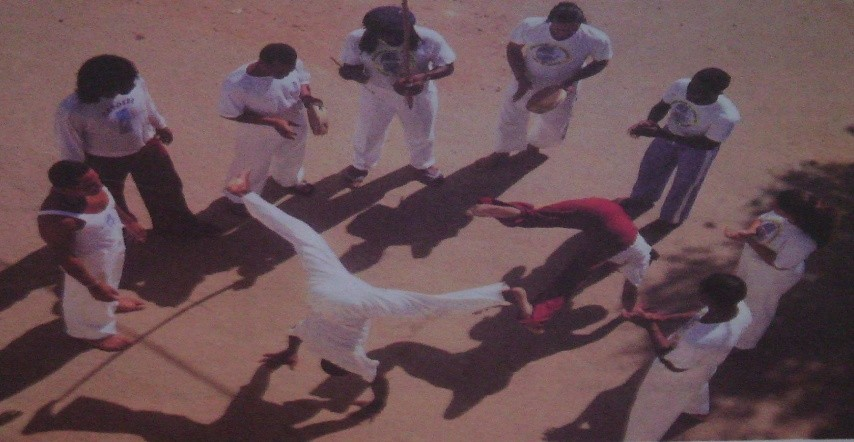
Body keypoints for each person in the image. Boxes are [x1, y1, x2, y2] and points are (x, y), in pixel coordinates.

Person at [224, 171, 532, 405]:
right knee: (304, 237)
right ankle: (247, 195)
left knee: (428, 304)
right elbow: (294, 335)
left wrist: (375, 404)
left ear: (340, 367)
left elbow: (377, 379)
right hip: (324, 290)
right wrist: (285, 355)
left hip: (358, 304)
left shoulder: (351, 358)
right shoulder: (311, 336)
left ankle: (502, 294)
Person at [56, 54, 219, 237]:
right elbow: (70, 144)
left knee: (167, 188)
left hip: (146, 147)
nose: (130, 88)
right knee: (110, 200)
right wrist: (80, 174)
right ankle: (121, 237)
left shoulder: (133, 81)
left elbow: (148, 103)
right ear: (101, 86)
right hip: (104, 161)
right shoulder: (72, 110)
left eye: (130, 83)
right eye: (122, 86)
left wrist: (160, 125)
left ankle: (177, 227)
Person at [468, 196, 652, 333]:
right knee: (570, 279)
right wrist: (629, 310)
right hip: (615, 239)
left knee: (542, 215)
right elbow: (630, 290)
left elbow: (620, 204)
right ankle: (533, 315)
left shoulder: (639, 240)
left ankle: (494, 208)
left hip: (604, 206)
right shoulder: (641, 259)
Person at [476, 2, 612, 168]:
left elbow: (601, 61)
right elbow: (513, 48)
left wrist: (569, 81)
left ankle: (534, 147)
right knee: (512, 114)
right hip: (528, 77)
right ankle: (503, 152)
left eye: (571, 30)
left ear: (580, 25)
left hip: (563, 83)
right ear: (549, 22)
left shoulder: (595, 38)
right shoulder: (530, 26)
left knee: (554, 123)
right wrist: (521, 78)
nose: (563, 33)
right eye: (559, 29)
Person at [622, 273, 752, 441]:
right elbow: (701, 314)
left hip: (675, 376)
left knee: (648, 415)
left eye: (702, 292)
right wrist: (663, 318)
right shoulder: (740, 308)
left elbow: (668, 359)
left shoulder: (697, 341)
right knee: (698, 383)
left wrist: (650, 326)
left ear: (709, 298)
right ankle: (698, 410)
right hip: (703, 364)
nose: (698, 293)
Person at [337, 5, 456, 186]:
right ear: (373, 32)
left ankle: (423, 164)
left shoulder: (429, 38)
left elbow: (448, 66)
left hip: (418, 95)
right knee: (368, 132)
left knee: (421, 132)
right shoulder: (356, 39)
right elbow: (347, 68)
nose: (394, 38)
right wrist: (351, 73)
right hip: (375, 94)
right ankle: (361, 165)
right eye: (388, 35)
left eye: (399, 34)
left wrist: (423, 77)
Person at [37, 161, 147, 351]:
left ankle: (111, 303)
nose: (98, 187)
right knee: (86, 298)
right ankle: (92, 333)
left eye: (97, 180)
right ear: (64, 190)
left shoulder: (92, 186)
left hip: (111, 251)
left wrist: (129, 222)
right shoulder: (57, 219)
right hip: (87, 266)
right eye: (89, 185)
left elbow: (111, 205)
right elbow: (64, 257)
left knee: (110, 283)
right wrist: (93, 285)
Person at [622, 67, 741, 225]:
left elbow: (707, 144)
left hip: (697, 150)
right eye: (692, 87)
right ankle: (642, 199)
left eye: (700, 93)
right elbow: (662, 106)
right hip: (669, 133)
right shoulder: (680, 86)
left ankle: (671, 219)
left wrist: (660, 134)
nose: (691, 95)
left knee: (685, 184)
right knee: (650, 168)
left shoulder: (726, 116)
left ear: (718, 94)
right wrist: (650, 122)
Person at [724, 189, 835, 350]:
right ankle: (729, 323)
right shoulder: (782, 216)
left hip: (771, 277)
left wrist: (752, 241)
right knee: (740, 291)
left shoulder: (803, 242)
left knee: (758, 305)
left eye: (777, 205)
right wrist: (751, 231)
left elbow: (778, 262)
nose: (772, 205)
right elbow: (762, 219)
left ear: (792, 214)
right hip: (752, 265)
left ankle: (744, 341)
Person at [219, 43, 321, 217]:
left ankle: (288, 180)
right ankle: (238, 199)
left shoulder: (292, 64)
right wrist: (274, 122)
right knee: (251, 164)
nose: (288, 74)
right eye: (283, 71)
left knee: (294, 153)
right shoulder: (236, 84)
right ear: (264, 64)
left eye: (290, 69)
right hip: (257, 130)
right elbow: (230, 114)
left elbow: (303, 79)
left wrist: (307, 97)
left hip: (293, 117)